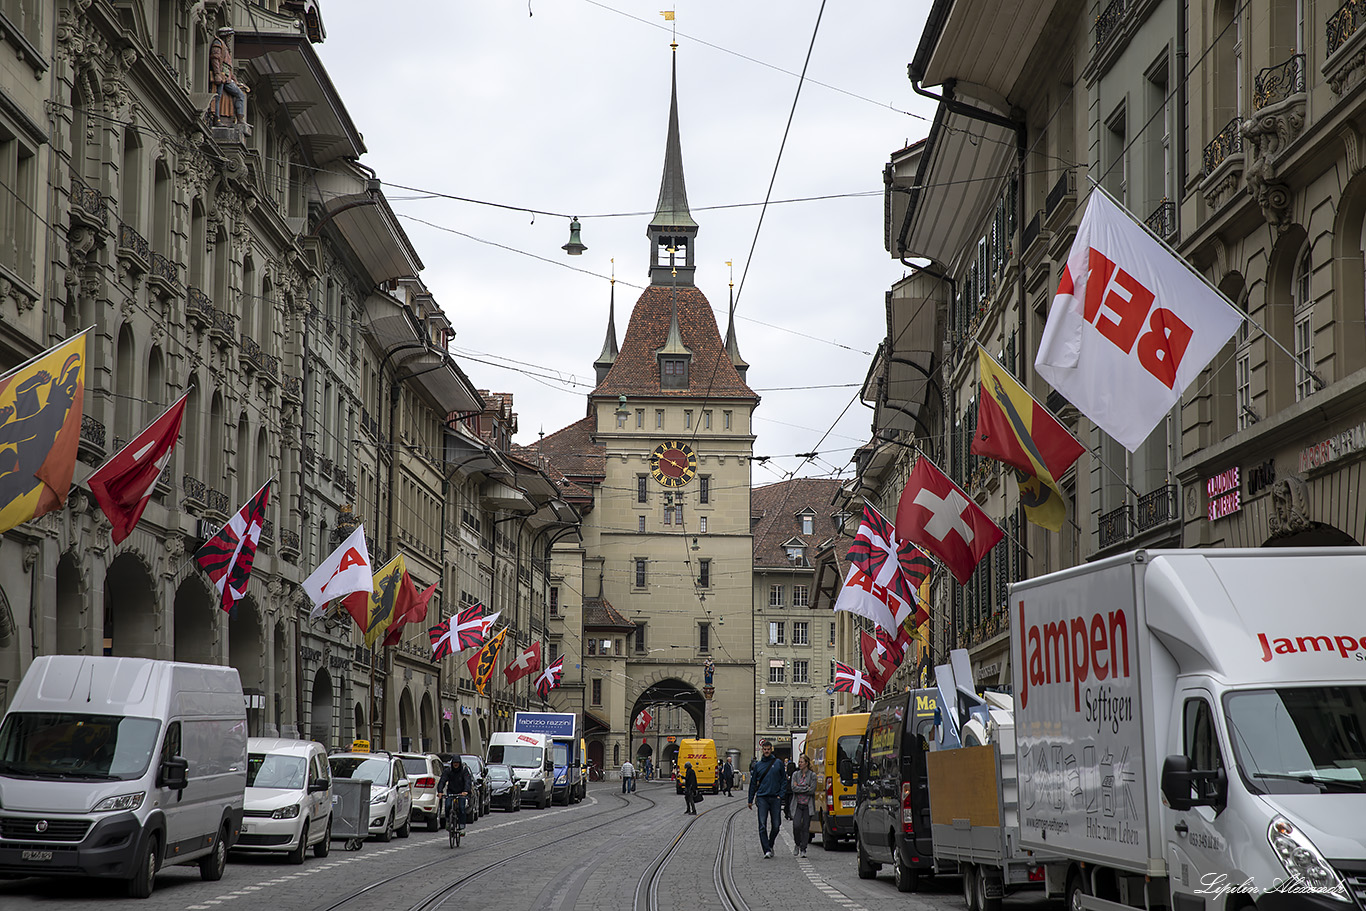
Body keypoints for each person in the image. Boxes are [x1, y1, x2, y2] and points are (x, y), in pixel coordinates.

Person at [747, 739, 787, 858]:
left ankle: (770, 843)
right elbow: (753, 783)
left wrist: (781, 794)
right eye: (764, 749)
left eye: (768, 749)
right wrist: (750, 799)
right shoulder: (758, 765)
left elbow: (784, 780)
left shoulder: (778, 763)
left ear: (771, 750)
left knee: (776, 825)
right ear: (762, 750)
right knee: (762, 825)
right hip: (762, 798)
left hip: (775, 797)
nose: (766, 751)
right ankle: (766, 850)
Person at [209, 27, 247, 124]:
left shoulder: (225, 47)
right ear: (225, 36)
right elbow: (215, 59)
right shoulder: (218, 43)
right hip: (222, 76)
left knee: (232, 95)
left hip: (226, 77)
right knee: (219, 97)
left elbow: (229, 68)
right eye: (229, 36)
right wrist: (217, 74)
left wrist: (236, 81)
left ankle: (238, 119)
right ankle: (217, 119)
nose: (230, 39)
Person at [788, 754, 818, 857]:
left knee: (805, 827)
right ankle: (797, 844)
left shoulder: (812, 775)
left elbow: (812, 790)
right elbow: (793, 788)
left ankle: (803, 848)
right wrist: (806, 787)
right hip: (797, 805)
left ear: (806, 763)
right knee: (796, 825)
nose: (799, 764)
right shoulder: (795, 775)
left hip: (807, 805)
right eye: (799, 762)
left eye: (801, 762)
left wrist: (799, 787)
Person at [436, 757, 472, 834]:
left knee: (461, 808)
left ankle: (462, 826)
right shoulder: (448, 771)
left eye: (457, 763)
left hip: (461, 792)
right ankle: (448, 821)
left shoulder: (464, 771)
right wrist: (440, 791)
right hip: (451, 791)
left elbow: (467, 781)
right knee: (447, 806)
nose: (456, 764)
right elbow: (442, 781)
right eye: (454, 763)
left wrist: (466, 791)